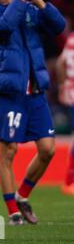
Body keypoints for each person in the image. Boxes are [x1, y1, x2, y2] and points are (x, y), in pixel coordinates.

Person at [0, 0, 65, 225]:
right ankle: (12, 211)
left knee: (47, 149)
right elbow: (4, 28)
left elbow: (59, 27)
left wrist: (39, 1)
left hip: (36, 92)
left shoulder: (28, 8)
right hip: (11, 93)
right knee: (9, 150)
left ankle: (22, 195)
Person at [56, 30, 74, 195]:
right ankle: (69, 181)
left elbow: (60, 63)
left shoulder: (71, 39)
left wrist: (62, 87)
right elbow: (60, 64)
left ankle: (69, 181)